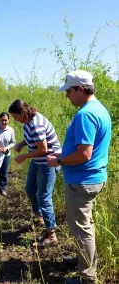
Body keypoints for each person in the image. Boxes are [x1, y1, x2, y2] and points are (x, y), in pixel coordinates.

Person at [47, 70, 111, 284]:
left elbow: (85, 154)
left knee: (82, 229)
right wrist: (63, 154)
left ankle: (87, 277)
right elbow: (85, 149)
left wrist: (59, 161)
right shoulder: (99, 109)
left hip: (82, 180)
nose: (67, 95)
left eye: (69, 91)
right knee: (86, 226)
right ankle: (83, 260)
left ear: (81, 89)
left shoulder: (85, 114)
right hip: (91, 178)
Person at [8, 99, 61, 247]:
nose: (15, 119)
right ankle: (39, 219)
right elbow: (32, 138)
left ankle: (51, 235)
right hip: (38, 161)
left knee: (43, 196)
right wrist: (21, 143)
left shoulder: (36, 124)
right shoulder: (28, 121)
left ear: (23, 113)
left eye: (16, 116)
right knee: (30, 189)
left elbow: (43, 149)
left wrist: (24, 156)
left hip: (48, 162)